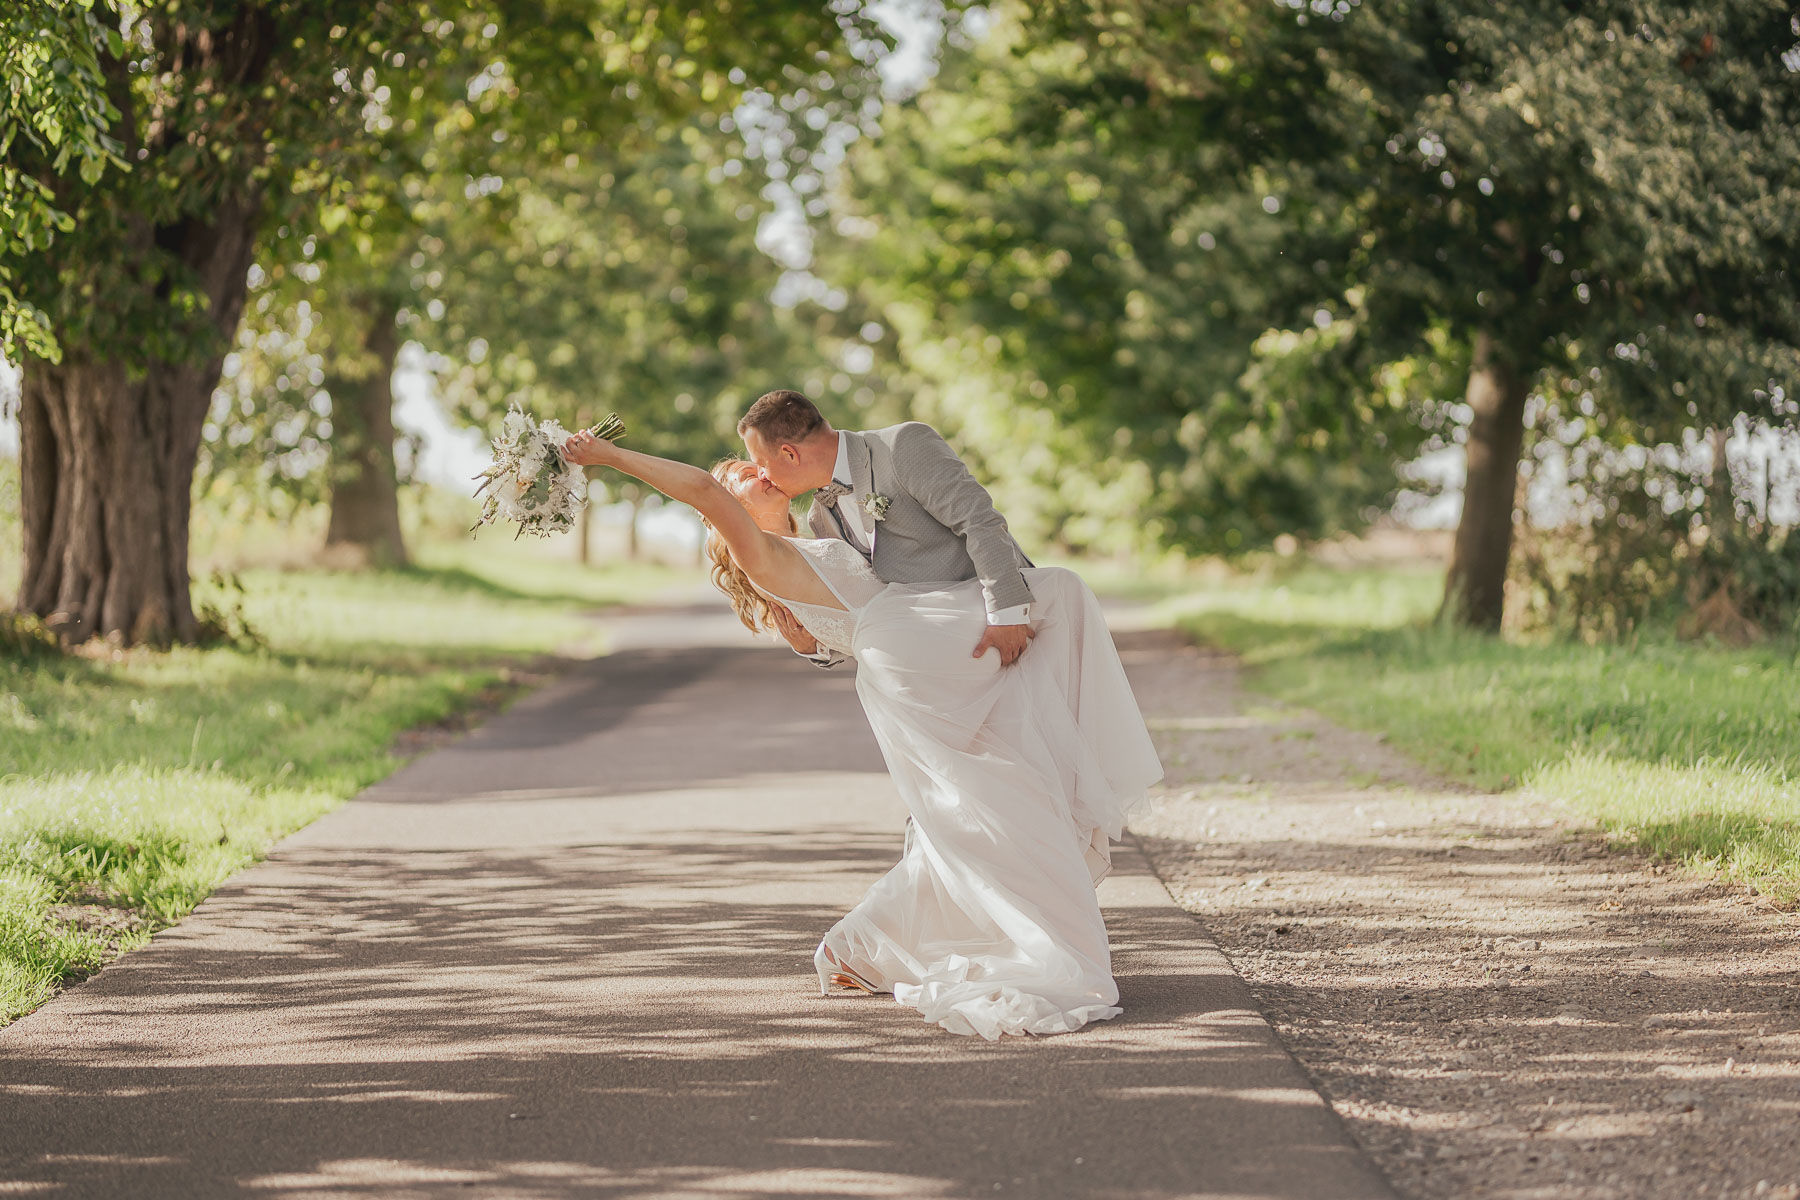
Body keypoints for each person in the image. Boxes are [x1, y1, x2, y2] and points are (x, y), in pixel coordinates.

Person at [560, 427, 1163, 1040]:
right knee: (1002, 782)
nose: (752, 471)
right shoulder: (755, 549)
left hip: (933, 648)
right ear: (727, 507)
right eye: (737, 473)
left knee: (983, 796)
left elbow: (852, 602)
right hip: (913, 664)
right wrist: (608, 457)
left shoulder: (818, 529)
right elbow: (696, 488)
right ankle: (1042, 947)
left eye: (751, 462)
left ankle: (857, 947)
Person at [736, 390, 1036, 669]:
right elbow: (868, 603)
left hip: (1011, 632)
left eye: (761, 463)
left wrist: (1008, 616)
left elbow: (979, 521)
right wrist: (815, 647)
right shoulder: (821, 516)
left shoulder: (902, 445)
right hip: (939, 658)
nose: (762, 475)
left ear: (790, 454)